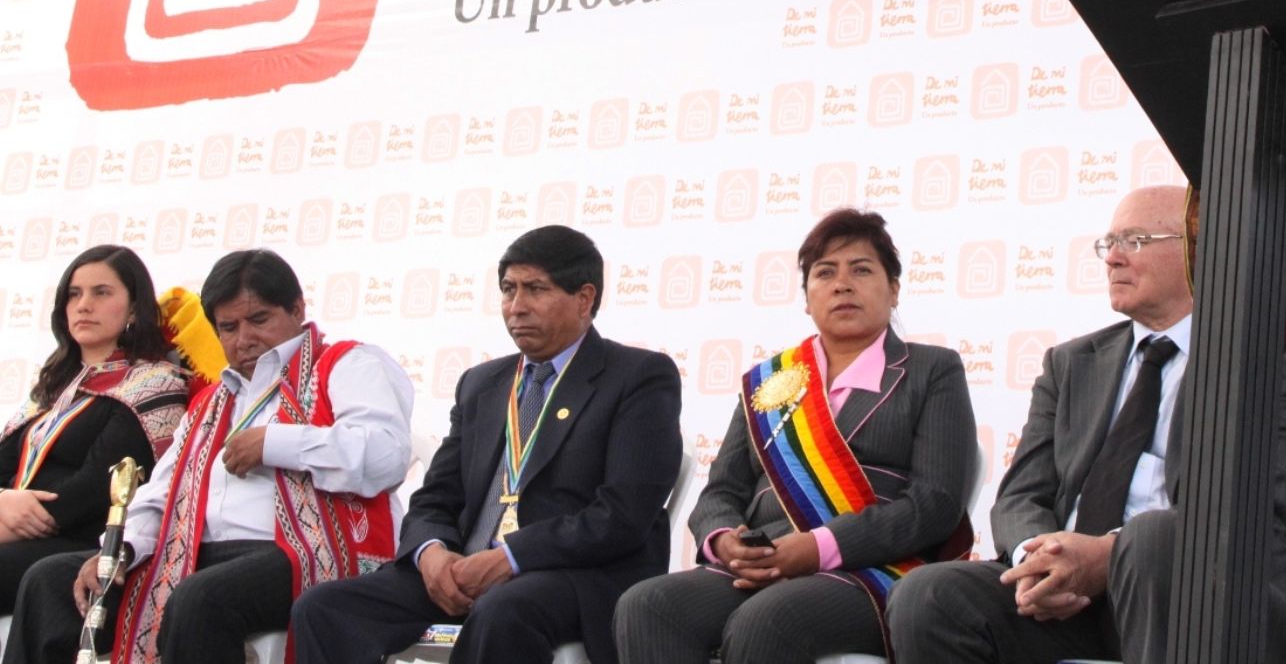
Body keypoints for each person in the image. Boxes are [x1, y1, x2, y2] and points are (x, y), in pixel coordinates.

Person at [888, 185, 1286, 664]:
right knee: (928, 595)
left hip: (1212, 596)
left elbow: (1257, 503)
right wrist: (1041, 559)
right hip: (1074, 606)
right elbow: (1020, 495)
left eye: (1134, 241)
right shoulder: (1071, 363)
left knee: (1153, 540)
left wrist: (1107, 556)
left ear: (1199, 250)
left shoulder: (1274, 356)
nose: (1112, 258)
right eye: (1108, 243)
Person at [289, 224, 682, 664]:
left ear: (585, 299)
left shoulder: (638, 377)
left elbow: (623, 513)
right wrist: (431, 553)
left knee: (503, 610)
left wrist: (512, 558)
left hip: (573, 574)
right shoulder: (482, 384)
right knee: (323, 608)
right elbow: (435, 496)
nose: (516, 307)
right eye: (509, 290)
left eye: (536, 289)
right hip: (465, 569)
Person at [3, 248, 414, 664]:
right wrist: (123, 549)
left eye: (259, 320)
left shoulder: (347, 363)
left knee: (200, 597)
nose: (244, 339)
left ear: (296, 309)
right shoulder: (212, 403)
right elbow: (162, 491)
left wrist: (275, 443)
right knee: (49, 581)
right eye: (228, 327)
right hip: (198, 553)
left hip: (307, 551)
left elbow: (385, 454)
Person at [614, 209, 978, 664]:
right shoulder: (770, 381)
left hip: (876, 567)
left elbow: (935, 504)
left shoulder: (930, 370)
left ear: (895, 289)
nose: (842, 284)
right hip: (762, 562)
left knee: (766, 619)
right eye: (825, 273)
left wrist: (817, 548)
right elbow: (721, 491)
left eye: (861, 270)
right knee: (647, 606)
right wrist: (725, 540)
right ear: (807, 298)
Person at [0, 246, 189, 615]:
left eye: (101, 293)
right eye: (74, 294)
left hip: (82, 541)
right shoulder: (51, 388)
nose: (84, 305)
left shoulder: (155, 384)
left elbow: (93, 489)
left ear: (134, 307)